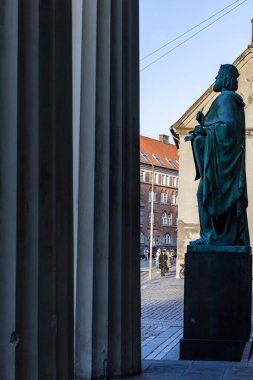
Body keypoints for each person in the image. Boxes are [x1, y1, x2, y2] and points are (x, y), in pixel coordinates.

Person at [185, 64, 249, 245]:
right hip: (223, 163)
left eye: (218, 76)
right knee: (204, 194)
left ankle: (213, 236)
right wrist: (205, 127)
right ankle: (212, 235)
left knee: (204, 194)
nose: (216, 79)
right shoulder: (231, 102)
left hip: (222, 166)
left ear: (225, 79)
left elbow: (226, 128)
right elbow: (221, 125)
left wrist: (207, 130)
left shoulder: (226, 100)